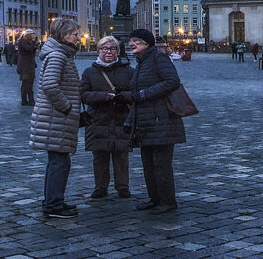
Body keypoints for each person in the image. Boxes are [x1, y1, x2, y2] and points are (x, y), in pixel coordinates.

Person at [123, 28, 185, 213]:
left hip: (162, 119)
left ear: (147, 43)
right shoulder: (142, 62)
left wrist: (145, 93)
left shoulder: (158, 58)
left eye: (135, 40)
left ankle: (167, 201)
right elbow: (136, 95)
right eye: (131, 41)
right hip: (146, 120)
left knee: (161, 163)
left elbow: (172, 81)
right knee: (148, 162)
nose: (131, 44)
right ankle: (155, 198)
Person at [29, 18, 82, 218]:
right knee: (58, 163)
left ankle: (55, 201)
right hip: (56, 118)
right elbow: (50, 86)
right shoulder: (58, 56)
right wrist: (67, 108)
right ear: (63, 36)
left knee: (60, 162)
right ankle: (53, 205)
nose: (78, 38)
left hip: (56, 118)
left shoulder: (61, 54)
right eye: (75, 34)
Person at [79, 35, 133, 199]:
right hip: (98, 119)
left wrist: (122, 96)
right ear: (98, 51)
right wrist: (103, 96)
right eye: (104, 48)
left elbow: (135, 93)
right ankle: (100, 187)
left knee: (121, 155)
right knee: (99, 155)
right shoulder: (89, 72)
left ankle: (122, 186)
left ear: (117, 51)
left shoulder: (128, 71)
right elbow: (83, 94)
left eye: (112, 48)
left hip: (121, 118)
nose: (108, 52)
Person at [16, 30, 38, 106]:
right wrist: (33, 42)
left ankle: (29, 100)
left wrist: (35, 46)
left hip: (29, 66)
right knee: (26, 84)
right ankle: (26, 100)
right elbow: (29, 49)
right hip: (25, 67)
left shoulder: (26, 42)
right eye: (32, 35)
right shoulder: (22, 42)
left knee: (29, 83)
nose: (33, 36)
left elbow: (31, 51)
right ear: (28, 35)